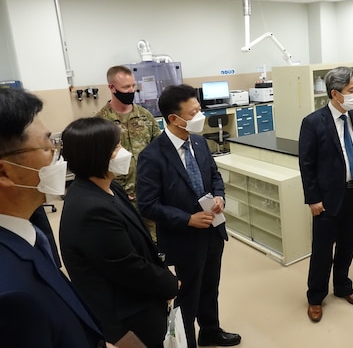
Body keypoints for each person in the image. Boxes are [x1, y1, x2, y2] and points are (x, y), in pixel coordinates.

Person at [0, 88, 109, 347]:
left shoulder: (30, 234)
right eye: (49, 147)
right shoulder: (9, 293)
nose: (58, 159)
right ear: (5, 173)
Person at [59, 117, 179, 348]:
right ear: (96, 154)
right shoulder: (91, 209)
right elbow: (128, 267)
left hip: (144, 301)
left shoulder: (109, 186)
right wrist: (169, 283)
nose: (123, 152)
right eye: (115, 147)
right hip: (128, 316)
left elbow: (138, 240)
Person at [136, 84, 241, 348]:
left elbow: (214, 177)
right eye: (194, 112)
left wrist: (219, 197)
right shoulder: (152, 156)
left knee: (209, 287)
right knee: (187, 293)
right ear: (174, 118)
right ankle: (185, 342)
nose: (200, 116)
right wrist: (187, 219)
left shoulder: (199, 142)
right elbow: (148, 204)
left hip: (213, 229)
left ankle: (210, 330)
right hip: (183, 238)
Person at [298, 66, 353, 323]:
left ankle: (343, 286)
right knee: (322, 250)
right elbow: (306, 165)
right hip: (327, 198)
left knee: (348, 245)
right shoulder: (313, 123)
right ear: (335, 94)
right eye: (351, 91)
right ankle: (315, 297)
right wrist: (313, 199)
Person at [97, 65, 161, 242]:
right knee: (128, 242)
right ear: (111, 87)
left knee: (154, 244)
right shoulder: (100, 122)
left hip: (149, 194)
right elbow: (97, 164)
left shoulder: (145, 117)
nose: (131, 91)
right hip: (118, 198)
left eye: (133, 86)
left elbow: (160, 152)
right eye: (126, 87)